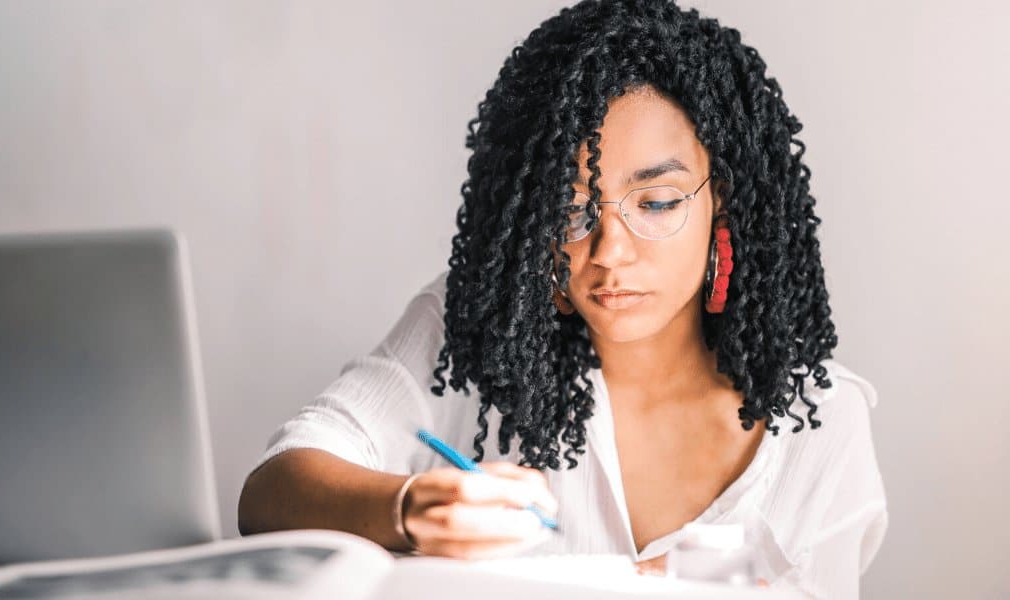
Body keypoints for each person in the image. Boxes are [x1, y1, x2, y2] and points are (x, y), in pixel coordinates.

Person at [238, 1, 887, 597]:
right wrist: (409, 508)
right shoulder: (476, 331)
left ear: (726, 202)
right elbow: (270, 492)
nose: (608, 252)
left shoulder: (818, 420)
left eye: (656, 203)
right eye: (568, 210)